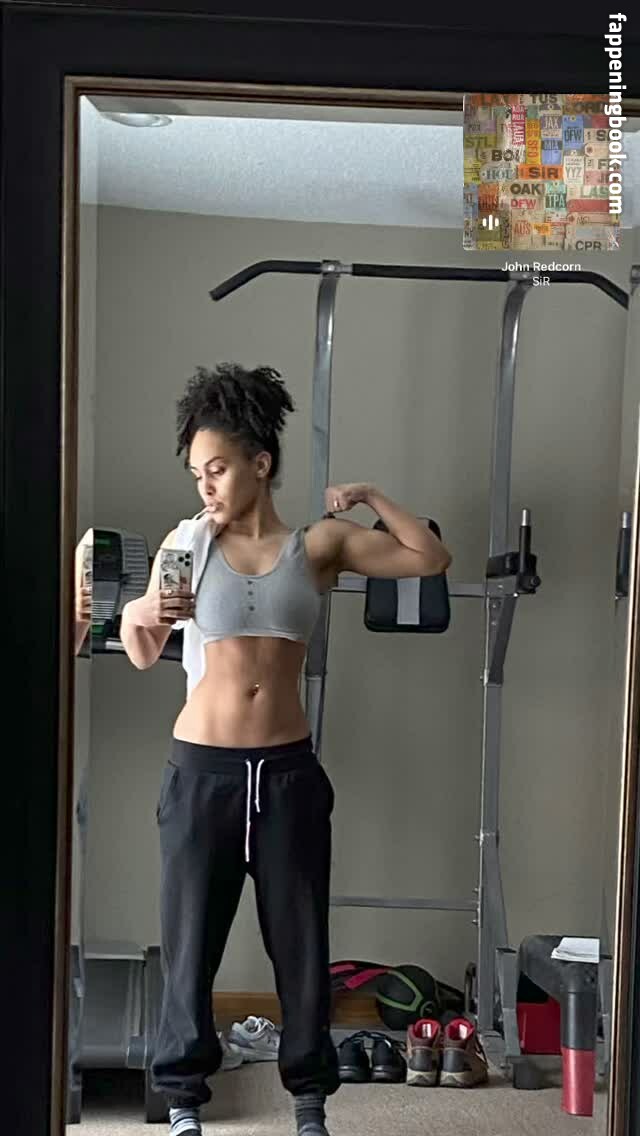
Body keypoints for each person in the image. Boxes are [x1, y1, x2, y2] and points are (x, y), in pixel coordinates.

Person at [119, 363, 452, 1136]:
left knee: (301, 947)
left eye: (217, 468)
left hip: (288, 775)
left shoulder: (319, 545)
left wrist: (370, 495)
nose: (205, 485)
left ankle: (308, 1102)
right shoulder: (186, 543)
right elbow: (142, 652)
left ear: (260, 463)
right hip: (200, 772)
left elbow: (429, 557)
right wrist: (142, 607)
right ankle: (183, 1102)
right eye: (197, 473)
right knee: (190, 944)